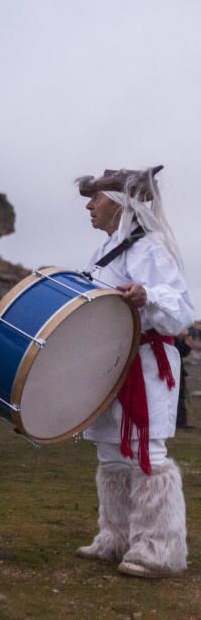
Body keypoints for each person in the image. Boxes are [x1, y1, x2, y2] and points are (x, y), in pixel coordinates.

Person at [74, 165, 193, 578]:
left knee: (147, 455)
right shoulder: (105, 251)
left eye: (97, 199)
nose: (89, 206)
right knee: (110, 452)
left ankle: (160, 549)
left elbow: (181, 311)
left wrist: (149, 295)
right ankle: (116, 537)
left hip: (144, 363)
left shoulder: (150, 247)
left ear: (121, 205)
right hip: (111, 364)